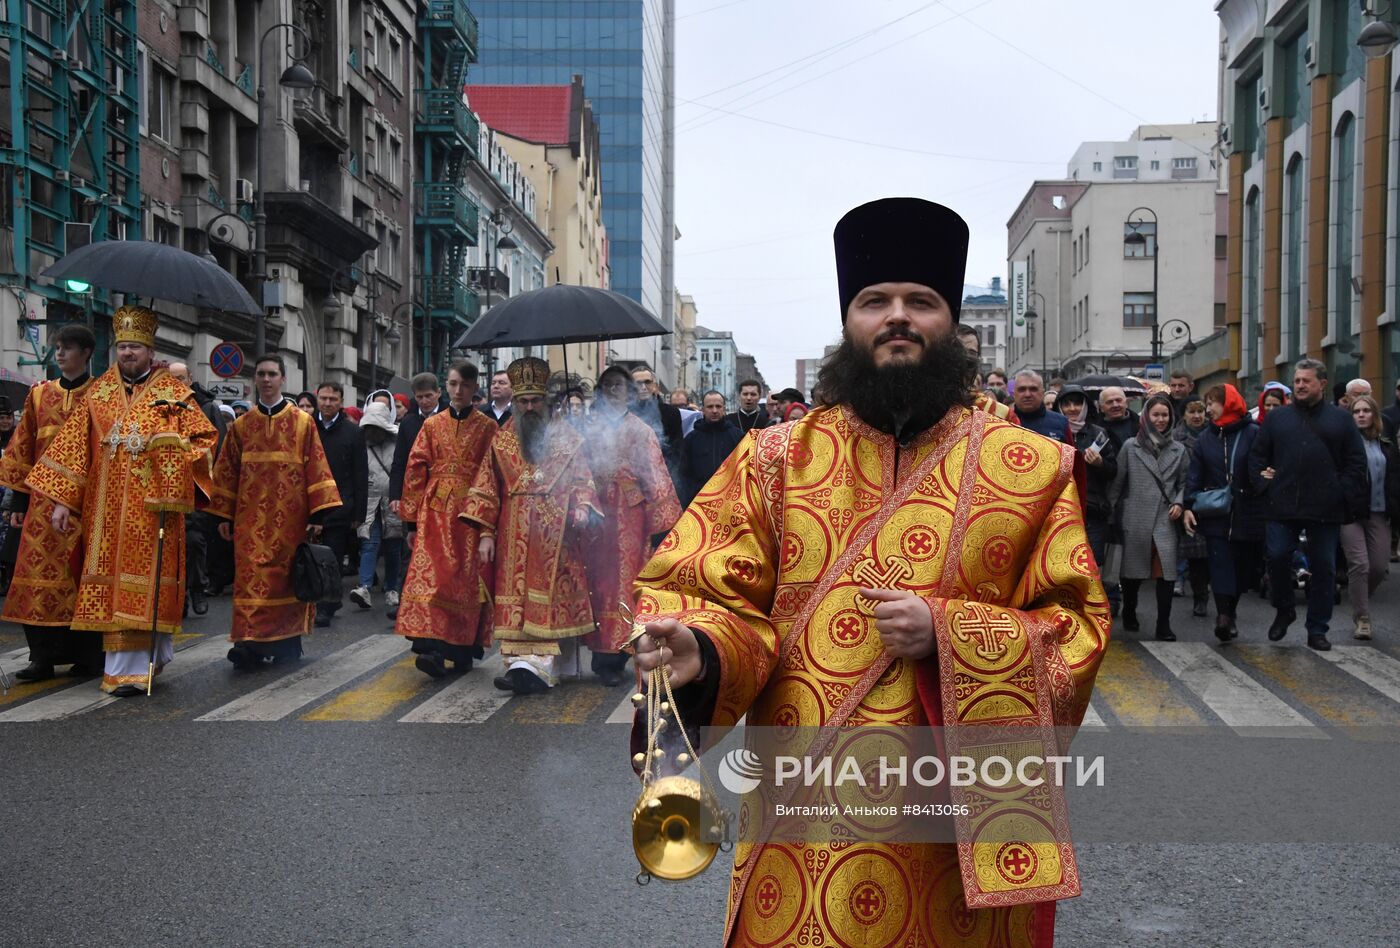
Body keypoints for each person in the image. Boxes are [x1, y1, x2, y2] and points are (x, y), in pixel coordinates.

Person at [632, 198, 1107, 946]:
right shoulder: (776, 459)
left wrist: (952, 635)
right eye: (874, 301)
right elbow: (705, 586)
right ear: (848, 320)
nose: (897, 317)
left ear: (952, 324)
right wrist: (704, 648)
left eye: (920, 302)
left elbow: (1076, 627)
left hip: (949, 823)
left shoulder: (1031, 467)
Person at [26, 306, 217, 696]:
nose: (128, 353)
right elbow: (75, 448)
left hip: (153, 511)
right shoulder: (98, 392)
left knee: (147, 587)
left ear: (149, 351)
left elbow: (205, 442)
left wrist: (175, 452)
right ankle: (125, 668)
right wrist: (62, 501)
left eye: (135, 347)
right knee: (113, 588)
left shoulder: (173, 393)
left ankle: (141, 664)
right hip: (106, 513)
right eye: (123, 346)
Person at [463, 357, 601, 695]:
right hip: (512, 531)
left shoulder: (567, 437)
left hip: (556, 535)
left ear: (545, 400)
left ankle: (540, 666)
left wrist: (583, 506)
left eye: (534, 401)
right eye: (521, 402)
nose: (527, 407)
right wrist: (484, 533)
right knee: (514, 598)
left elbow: (584, 478)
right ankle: (517, 666)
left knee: (547, 598)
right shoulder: (502, 439)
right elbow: (487, 487)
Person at [208, 355, 342, 668]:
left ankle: (285, 642)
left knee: (285, 580)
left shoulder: (302, 422)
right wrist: (223, 516)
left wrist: (316, 517)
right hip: (248, 519)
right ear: (255, 379)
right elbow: (227, 471)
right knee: (249, 579)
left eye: (272, 374)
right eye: (261, 374)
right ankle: (248, 643)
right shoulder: (242, 426)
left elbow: (318, 468)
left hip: (290, 521)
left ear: (282, 379)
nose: (266, 380)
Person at [0, 325, 101, 681]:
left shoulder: (101, 394)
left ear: (86, 353)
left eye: (68, 348)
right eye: (57, 347)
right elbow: (22, 448)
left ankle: (88, 656)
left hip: (86, 504)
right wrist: (17, 502)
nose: (59, 354)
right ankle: (41, 657)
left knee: (82, 579)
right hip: (42, 506)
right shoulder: (39, 395)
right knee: (34, 578)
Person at [1249, 358, 1368, 650]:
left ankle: (1317, 629)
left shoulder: (1340, 420)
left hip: (1325, 507)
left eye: (1306, 381)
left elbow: (1355, 462)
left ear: (1322, 384)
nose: (1300, 386)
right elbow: (1257, 457)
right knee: (1277, 556)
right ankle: (1284, 609)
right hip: (1282, 504)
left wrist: (1341, 492)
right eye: (1297, 381)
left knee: (1324, 568)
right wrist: (1265, 485)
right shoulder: (1278, 419)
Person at [581, 366, 681, 686]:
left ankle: (615, 656)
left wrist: (664, 526)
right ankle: (598, 654)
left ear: (628, 392)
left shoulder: (640, 430)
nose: (613, 391)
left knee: (624, 581)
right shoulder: (587, 429)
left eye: (619, 386)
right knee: (596, 580)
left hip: (629, 514)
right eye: (607, 386)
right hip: (595, 510)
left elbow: (655, 474)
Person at [397, 362, 497, 677]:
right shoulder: (431, 425)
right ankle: (432, 648)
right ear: (446, 386)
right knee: (432, 579)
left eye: (464, 386)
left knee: (464, 582)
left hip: (470, 513)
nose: (457, 391)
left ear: (473, 388)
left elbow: (493, 473)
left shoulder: (488, 427)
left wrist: (488, 524)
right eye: (453, 384)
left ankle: (462, 649)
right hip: (435, 513)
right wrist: (411, 521)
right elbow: (415, 469)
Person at [1184, 384, 1264, 641]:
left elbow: (1264, 465)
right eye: (1206, 404)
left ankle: (1231, 610)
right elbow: (1194, 475)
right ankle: (1223, 616)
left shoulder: (1254, 433)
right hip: (1216, 513)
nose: (1208, 409)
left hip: (1248, 511)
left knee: (1244, 568)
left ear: (1229, 403)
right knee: (1220, 565)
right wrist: (1189, 503)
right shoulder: (1206, 438)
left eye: (1212, 403)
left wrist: (1268, 476)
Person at [1109, 393, 1189, 641]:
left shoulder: (1179, 449)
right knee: (1132, 575)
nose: (1161, 419)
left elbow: (1186, 482)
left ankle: (1163, 625)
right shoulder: (1130, 446)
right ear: (1146, 416)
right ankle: (1130, 610)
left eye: (1165, 415)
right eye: (1156, 414)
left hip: (1165, 518)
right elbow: (1118, 483)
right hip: (1135, 518)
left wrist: (1179, 501)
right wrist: (1111, 516)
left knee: (1166, 573)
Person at [1339, 394, 1399, 639]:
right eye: (1356, 411)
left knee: (1377, 567)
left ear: (1374, 415)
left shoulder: (1386, 445)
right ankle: (1362, 617)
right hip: (1351, 513)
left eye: (1366, 411)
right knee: (1360, 565)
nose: (1361, 415)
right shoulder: (1343, 444)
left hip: (1380, 512)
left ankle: (1360, 595)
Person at [313, 382, 368, 628]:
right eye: (323, 398)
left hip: (340, 505)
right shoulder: (307, 427)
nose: (327, 403)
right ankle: (311, 600)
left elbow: (360, 473)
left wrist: (359, 512)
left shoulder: (353, 432)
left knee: (331, 559)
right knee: (310, 558)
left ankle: (327, 604)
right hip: (310, 504)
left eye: (332, 399)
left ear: (341, 401)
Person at [350, 400, 404, 612]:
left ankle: (392, 588)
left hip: (393, 503)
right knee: (369, 544)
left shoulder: (398, 443)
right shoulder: (360, 445)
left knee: (393, 547)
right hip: (370, 502)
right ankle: (364, 586)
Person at [1057, 384, 1118, 571]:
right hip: (1061, 509)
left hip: (1093, 509)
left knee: (1091, 565)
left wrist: (1100, 463)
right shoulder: (1055, 431)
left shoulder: (1097, 433)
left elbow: (1113, 471)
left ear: (1085, 406)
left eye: (1077, 403)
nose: (1072, 409)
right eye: (1067, 404)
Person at [1172, 398, 1212, 616]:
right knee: (1195, 554)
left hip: (1212, 499)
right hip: (1186, 498)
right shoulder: (1176, 438)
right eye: (1192, 411)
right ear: (1184, 414)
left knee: (1209, 554)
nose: (1197, 416)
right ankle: (1200, 597)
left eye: (1200, 411)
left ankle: (1205, 590)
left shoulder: (1213, 434)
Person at [679, 389, 743, 506]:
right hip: (699, 502)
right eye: (710, 407)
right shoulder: (691, 439)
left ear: (724, 408)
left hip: (729, 502)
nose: (714, 410)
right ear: (702, 409)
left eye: (718, 406)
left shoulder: (737, 436)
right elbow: (684, 474)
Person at [630, 367, 685, 488]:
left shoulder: (670, 413)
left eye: (647, 382)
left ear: (655, 386)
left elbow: (676, 449)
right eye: (638, 383)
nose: (643, 387)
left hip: (664, 480)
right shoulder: (625, 413)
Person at [1012, 369, 1071, 444]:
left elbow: (1071, 454)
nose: (1027, 394)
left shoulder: (1062, 423)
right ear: (1014, 394)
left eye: (1033, 389)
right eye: (1022, 389)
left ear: (1042, 393)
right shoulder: (1004, 422)